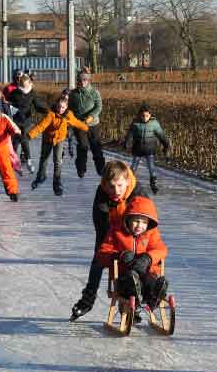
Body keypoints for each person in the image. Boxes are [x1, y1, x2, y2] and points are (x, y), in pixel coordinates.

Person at [71, 160, 150, 320]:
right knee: (98, 259)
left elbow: (148, 220)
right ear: (105, 185)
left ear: (127, 181)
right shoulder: (101, 194)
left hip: (135, 234)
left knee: (140, 261)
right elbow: (101, 227)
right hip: (111, 234)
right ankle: (88, 299)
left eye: (120, 185)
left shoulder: (139, 192)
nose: (116, 191)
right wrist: (111, 252)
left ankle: (131, 300)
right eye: (111, 186)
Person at [94, 196, 169, 311]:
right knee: (131, 279)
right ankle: (136, 301)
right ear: (128, 219)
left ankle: (156, 294)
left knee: (150, 281)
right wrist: (119, 255)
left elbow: (161, 249)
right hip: (123, 275)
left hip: (146, 273)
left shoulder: (151, 233)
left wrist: (148, 258)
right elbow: (102, 253)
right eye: (136, 221)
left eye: (144, 222)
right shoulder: (116, 232)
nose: (140, 226)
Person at [27, 95, 89, 196]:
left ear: (66, 107)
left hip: (59, 139)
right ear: (56, 105)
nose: (60, 109)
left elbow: (76, 123)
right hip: (48, 138)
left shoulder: (69, 115)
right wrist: (30, 135)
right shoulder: (51, 115)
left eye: (63, 107)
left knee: (58, 160)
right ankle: (41, 176)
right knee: (44, 158)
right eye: (59, 106)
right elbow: (41, 126)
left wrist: (87, 128)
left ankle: (57, 181)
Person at [123, 103, 170, 195]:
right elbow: (130, 134)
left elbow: (161, 135)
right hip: (138, 149)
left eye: (147, 116)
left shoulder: (154, 124)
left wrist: (166, 144)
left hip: (149, 149)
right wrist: (127, 142)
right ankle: (128, 184)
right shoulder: (135, 123)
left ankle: (153, 184)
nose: (145, 118)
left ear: (150, 115)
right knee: (133, 167)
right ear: (139, 115)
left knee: (151, 167)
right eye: (143, 116)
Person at [8, 74, 49, 173]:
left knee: (24, 139)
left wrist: (48, 111)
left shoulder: (32, 93)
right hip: (17, 120)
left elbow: (38, 105)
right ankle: (12, 163)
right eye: (23, 85)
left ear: (30, 84)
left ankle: (29, 161)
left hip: (27, 120)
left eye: (26, 85)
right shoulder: (14, 93)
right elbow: (8, 104)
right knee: (15, 142)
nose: (25, 87)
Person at [68, 69, 105, 178]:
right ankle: (81, 168)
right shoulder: (74, 94)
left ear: (88, 81)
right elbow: (70, 109)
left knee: (96, 147)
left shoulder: (94, 92)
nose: (82, 82)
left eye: (85, 80)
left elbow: (99, 107)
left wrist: (91, 116)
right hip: (80, 125)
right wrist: (71, 121)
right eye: (80, 80)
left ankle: (101, 169)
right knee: (83, 146)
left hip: (93, 124)